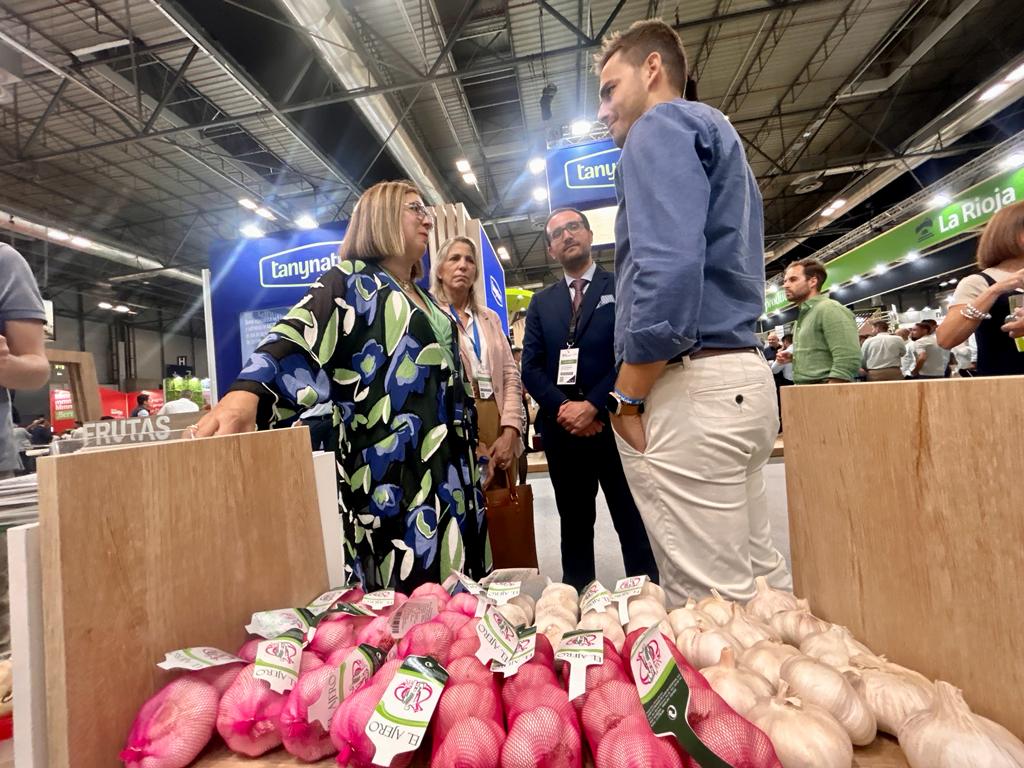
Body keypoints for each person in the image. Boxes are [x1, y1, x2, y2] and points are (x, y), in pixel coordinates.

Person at [194, 180, 489, 590]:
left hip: (452, 465)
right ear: (381, 218)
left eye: (425, 210)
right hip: (398, 470)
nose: (426, 218)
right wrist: (245, 395)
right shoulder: (351, 279)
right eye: (414, 209)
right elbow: (297, 334)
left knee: (462, 581)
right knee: (415, 585)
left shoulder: (425, 297)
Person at [594, 20, 788, 602]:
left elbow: (669, 273)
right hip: (741, 377)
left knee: (710, 609)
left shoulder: (657, 127)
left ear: (652, 68)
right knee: (762, 589)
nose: (603, 112)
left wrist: (626, 397)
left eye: (609, 89)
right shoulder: (716, 128)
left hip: (693, 386)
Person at [521, 207, 659, 591]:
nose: (567, 236)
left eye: (573, 227)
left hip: (617, 421)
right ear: (550, 250)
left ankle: (646, 599)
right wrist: (564, 408)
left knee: (631, 518)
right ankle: (576, 600)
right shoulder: (541, 303)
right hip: (563, 431)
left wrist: (594, 405)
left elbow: (631, 352)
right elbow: (530, 367)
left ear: (588, 233)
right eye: (557, 234)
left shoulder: (621, 286)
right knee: (575, 522)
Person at [432, 236, 523, 485]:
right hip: (454, 426)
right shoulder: (427, 316)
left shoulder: (489, 318)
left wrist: (510, 431)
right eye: (455, 258)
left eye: (469, 260)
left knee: (503, 507)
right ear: (440, 270)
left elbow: (510, 375)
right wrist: (470, 441)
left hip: (498, 416)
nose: (463, 265)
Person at [936, 201, 1024, 375]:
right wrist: (995, 290)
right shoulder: (979, 282)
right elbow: (946, 339)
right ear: (1014, 234)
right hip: (1005, 387)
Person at [783, 259, 860, 384]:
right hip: (805, 391)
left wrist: (832, 389)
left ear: (813, 281)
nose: (785, 285)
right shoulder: (805, 315)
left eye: (793, 279)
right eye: (785, 281)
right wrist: (795, 358)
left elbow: (848, 357)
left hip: (824, 390)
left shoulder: (829, 309)